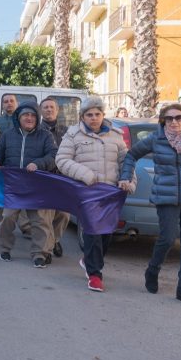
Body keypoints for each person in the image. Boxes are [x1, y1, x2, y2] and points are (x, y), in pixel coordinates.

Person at [119, 102, 181, 306]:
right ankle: (152, 270)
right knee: (167, 238)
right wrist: (126, 176)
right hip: (165, 195)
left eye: (179, 117)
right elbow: (132, 155)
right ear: (163, 121)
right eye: (169, 118)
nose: (174, 122)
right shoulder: (156, 138)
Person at [56, 97, 132, 292]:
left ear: (103, 115)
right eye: (89, 115)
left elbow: (126, 162)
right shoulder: (73, 135)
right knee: (93, 232)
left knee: (106, 234)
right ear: (82, 117)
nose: (94, 118)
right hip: (87, 192)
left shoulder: (116, 135)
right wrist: (86, 176)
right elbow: (62, 160)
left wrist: (129, 182)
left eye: (97, 114)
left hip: (111, 194)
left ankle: (89, 260)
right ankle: (95, 275)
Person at [0, 103, 57, 267]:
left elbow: (54, 155)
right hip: (14, 186)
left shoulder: (45, 135)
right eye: (25, 115)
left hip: (37, 186)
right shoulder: (8, 135)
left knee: (39, 222)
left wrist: (39, 163)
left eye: (33, 116)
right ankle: (5, 248)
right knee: (7, 218)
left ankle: (39, 254)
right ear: (18, 118)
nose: (29, 118)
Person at [39, 97, 70, 257]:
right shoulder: (36, 131)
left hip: (63, 178)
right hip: (43, 178)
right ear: (41, 111)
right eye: (45, 107)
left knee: (64, 214)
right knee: (46, 215)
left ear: (57, 110)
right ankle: (48, 248)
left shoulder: (67, 131)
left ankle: (55, 240)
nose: (49, 110)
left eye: (52, 107)